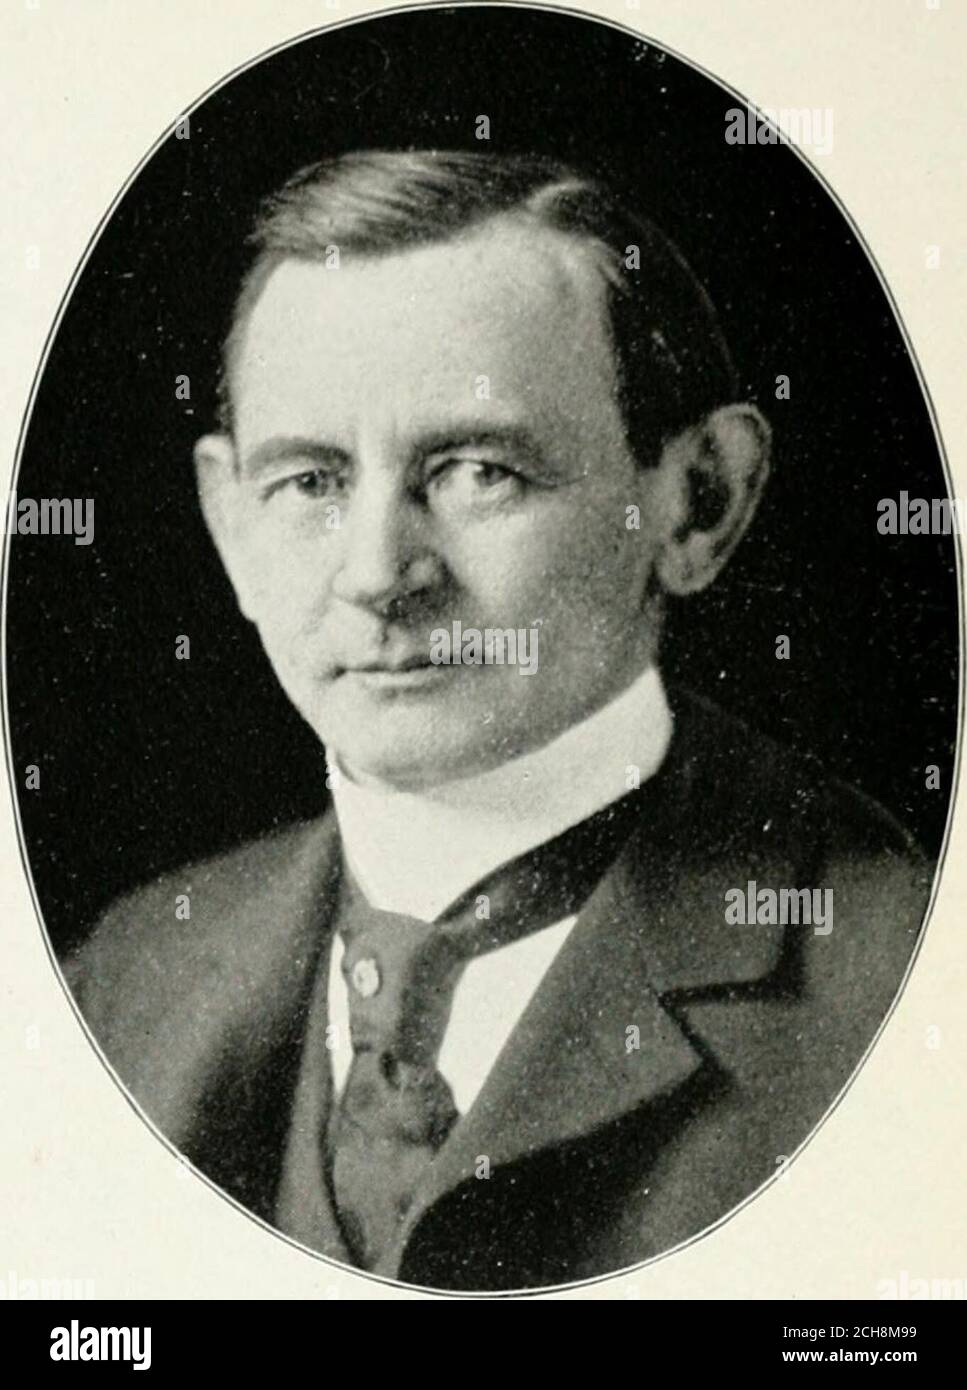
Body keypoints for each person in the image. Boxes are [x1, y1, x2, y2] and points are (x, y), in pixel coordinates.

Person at [64, 150, 930, 1292]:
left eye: (479, 472)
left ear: (697, 501)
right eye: (310, 483)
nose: (377, 574)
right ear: (230, 526)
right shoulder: (126, 975)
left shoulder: (905, 982)